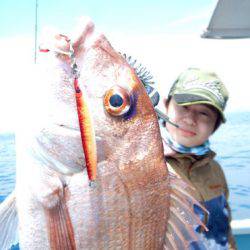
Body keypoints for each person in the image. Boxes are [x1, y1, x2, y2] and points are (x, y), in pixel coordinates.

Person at [159, 68, 237, 249]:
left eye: (204, 113)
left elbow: (225, 229)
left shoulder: (214, 169)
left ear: (215, 125)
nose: (191, 119)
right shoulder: (143, 165)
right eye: (184, 106)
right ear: (165, 106)